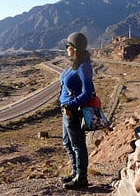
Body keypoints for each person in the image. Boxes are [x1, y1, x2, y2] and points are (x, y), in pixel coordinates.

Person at [59, 32, 94, 189]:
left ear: (73, 48)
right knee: (67, 142)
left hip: (72, 111)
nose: (65, 48)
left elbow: (87, 92)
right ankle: (75, 172)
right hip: (66, 110)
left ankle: (82, 177)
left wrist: (72, 104)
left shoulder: (84, 66)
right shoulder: (74, 63)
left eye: (67, 46)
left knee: (78, 145)